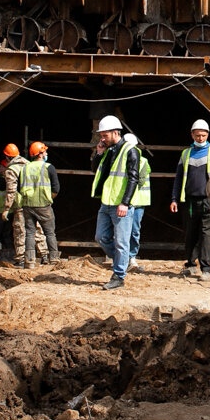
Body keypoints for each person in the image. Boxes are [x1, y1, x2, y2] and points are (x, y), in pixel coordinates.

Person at [89, 115, 143, 290]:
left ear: (115, 132)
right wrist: (98, 153)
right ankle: (124, 261)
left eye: (105, 135)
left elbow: (134, 178)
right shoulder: (109, 150)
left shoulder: (130, 151)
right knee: (101, 237)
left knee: (121, 242)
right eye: (101, 136)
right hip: (107, 202)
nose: (102, 139)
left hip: (121, 204)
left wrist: (125, 203)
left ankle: (118, 276)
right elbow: (95, 170)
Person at [171, 119, 210, 281]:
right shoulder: (186, 154)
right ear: (192, 135)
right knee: (190, 233)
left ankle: (206, 268)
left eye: (203, 135)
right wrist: (174, 198)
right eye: (197, 135)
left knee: (208, 234)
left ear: (207, 135)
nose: (200, 138)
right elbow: (179, 178)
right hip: (190, 200)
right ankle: (190, 265)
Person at [2, 141, 60, 269]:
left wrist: (6, 208)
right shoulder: (40, 166)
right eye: (44, 151)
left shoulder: (19, 169)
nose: (46, 153)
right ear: (40, 154)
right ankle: (50, 258)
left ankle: (26, 261)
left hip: (25, 203)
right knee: (47, 232)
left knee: (25, 232)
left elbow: (14, 189)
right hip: (43, 204)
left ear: (7, 157)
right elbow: (56, 188)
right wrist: (49, 198)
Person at [120, 133, 152, 272]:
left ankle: (131, 258)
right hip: (123, 202)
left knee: (133, 230)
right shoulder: (118, 160)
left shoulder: (143, 161)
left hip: (137, 202)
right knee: (122, 231)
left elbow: (139, 180)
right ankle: (122, 258)